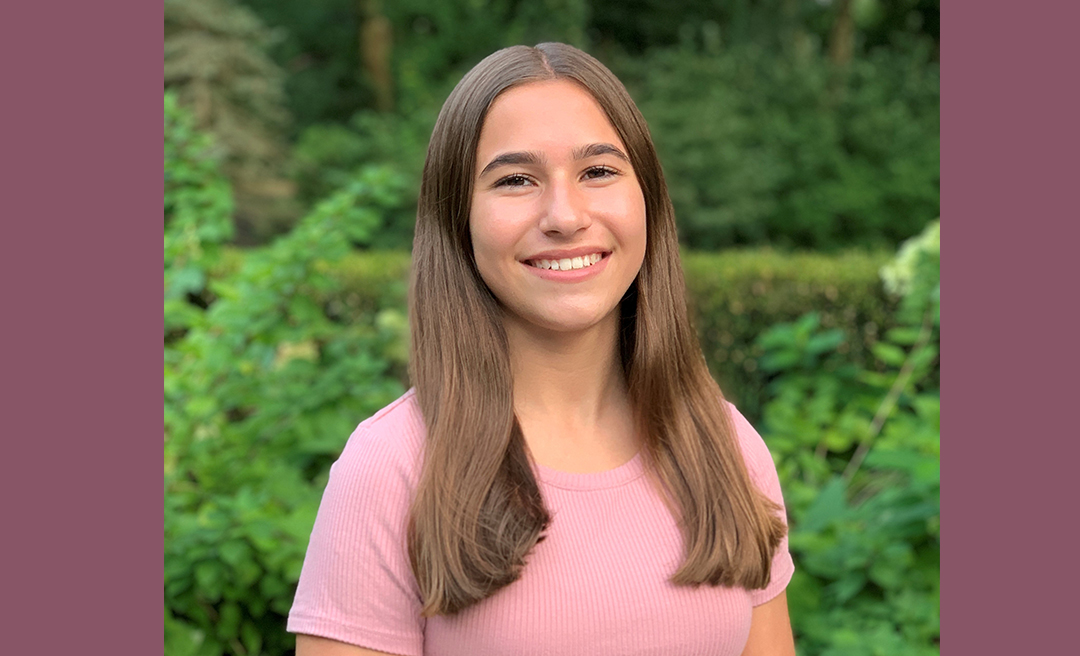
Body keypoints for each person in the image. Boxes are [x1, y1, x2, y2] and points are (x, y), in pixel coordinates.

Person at [288, 42, 796, 656]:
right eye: (515, 180)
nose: (564, 215)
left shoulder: (725, 446)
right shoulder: (391, 470)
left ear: (649, 201)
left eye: (599, 171)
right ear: (459, 220)